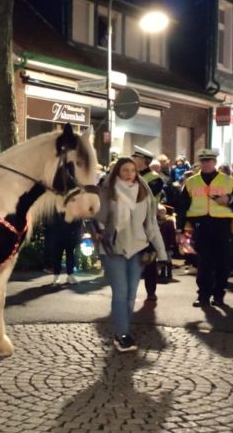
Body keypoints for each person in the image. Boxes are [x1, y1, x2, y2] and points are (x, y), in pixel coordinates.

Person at [92, 157, 169, 352]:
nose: (128, 174)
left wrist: (162, 253)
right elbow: (96, 219)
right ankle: (123, 334)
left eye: (132, 170)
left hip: (137, 249)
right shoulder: (108, 192)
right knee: (121, 291)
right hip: (113, 249)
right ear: (117, 172)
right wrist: (100, 233)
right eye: (124, 170)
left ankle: (121, 332)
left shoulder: (143, 193)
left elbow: (151, 225)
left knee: (131, 294)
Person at [175, 148, 233, 308]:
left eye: (209, 161)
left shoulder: (228, 181)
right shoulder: (191, 182)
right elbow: (182, 207)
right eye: (203, 161)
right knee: (204, 262)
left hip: (222, 225)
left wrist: (229, 199)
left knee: (222, 262)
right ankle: (203, 296)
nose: (206, 164)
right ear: (200, 162)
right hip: (201, 226)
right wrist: (179, 229)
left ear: (215, 162)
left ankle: (219, 295)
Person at [132, 147, 164, 302]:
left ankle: (151, 292)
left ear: (144, 161)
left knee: (149, 258)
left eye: (135, 158)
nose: (133, 160)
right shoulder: (129, 176)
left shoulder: (154, 178)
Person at [48, 212, 81, 286]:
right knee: (58, 256)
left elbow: (78, 221)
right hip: (59, 235)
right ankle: (57, 276)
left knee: (69, 255)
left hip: (68, 235)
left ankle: (69, 275)